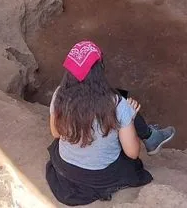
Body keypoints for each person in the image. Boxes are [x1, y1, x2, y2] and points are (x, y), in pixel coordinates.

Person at [44, 40, 176, 205]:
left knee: (122, 103)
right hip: (100, 174)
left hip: (66, 168)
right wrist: (131, 117)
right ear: (99, 70)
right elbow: (132, 153)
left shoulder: (59, 95)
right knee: (125, 105)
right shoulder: (116, 104)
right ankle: (150, 136)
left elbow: (56, 133)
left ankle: (150, 136)